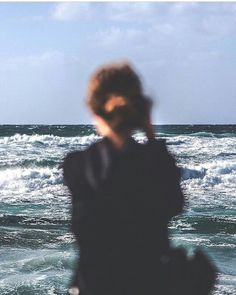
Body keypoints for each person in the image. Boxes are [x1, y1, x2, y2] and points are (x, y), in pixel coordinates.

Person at [62, 62, 215, 295]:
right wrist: (152, 137)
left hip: (95, 286)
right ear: (140, 110)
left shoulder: (78, 165)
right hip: (152, 285)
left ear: (94, 109)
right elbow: (174, 204)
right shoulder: (156, 163)